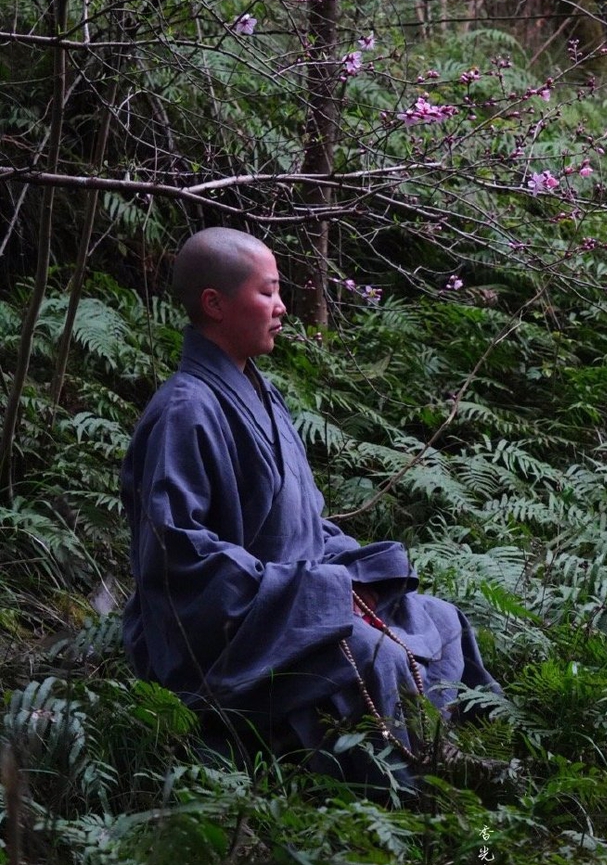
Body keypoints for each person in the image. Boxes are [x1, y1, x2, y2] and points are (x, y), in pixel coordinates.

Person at [120, 227, 498, 782]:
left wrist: (353, 570)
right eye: (268, 292)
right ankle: (410, 785)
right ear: (215, 304)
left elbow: (304, 525)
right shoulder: (186, 409)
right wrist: (313, 595)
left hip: (286, 601)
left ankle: (452, 748)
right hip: (230, 635)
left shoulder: (260, 392)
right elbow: (178, 560)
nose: (281, 307)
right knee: (378, 655)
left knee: (438, 617)